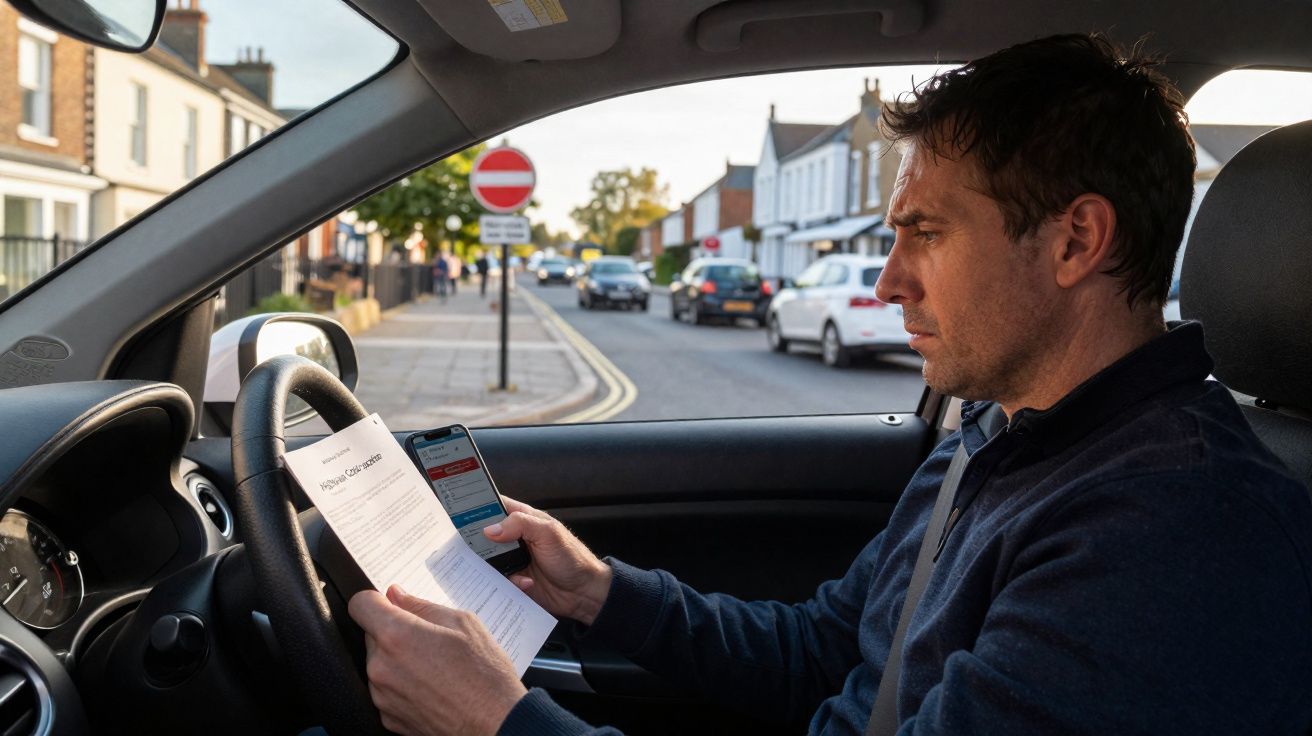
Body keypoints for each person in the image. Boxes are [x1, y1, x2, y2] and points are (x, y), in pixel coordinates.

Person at [348, 35, 1312, 735]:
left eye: (924, 232)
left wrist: (499, 721)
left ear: (1075, 241)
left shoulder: (1181, 532)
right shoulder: (997, 435)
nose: (888, 280)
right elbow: (826, 651)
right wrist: (600, 591)